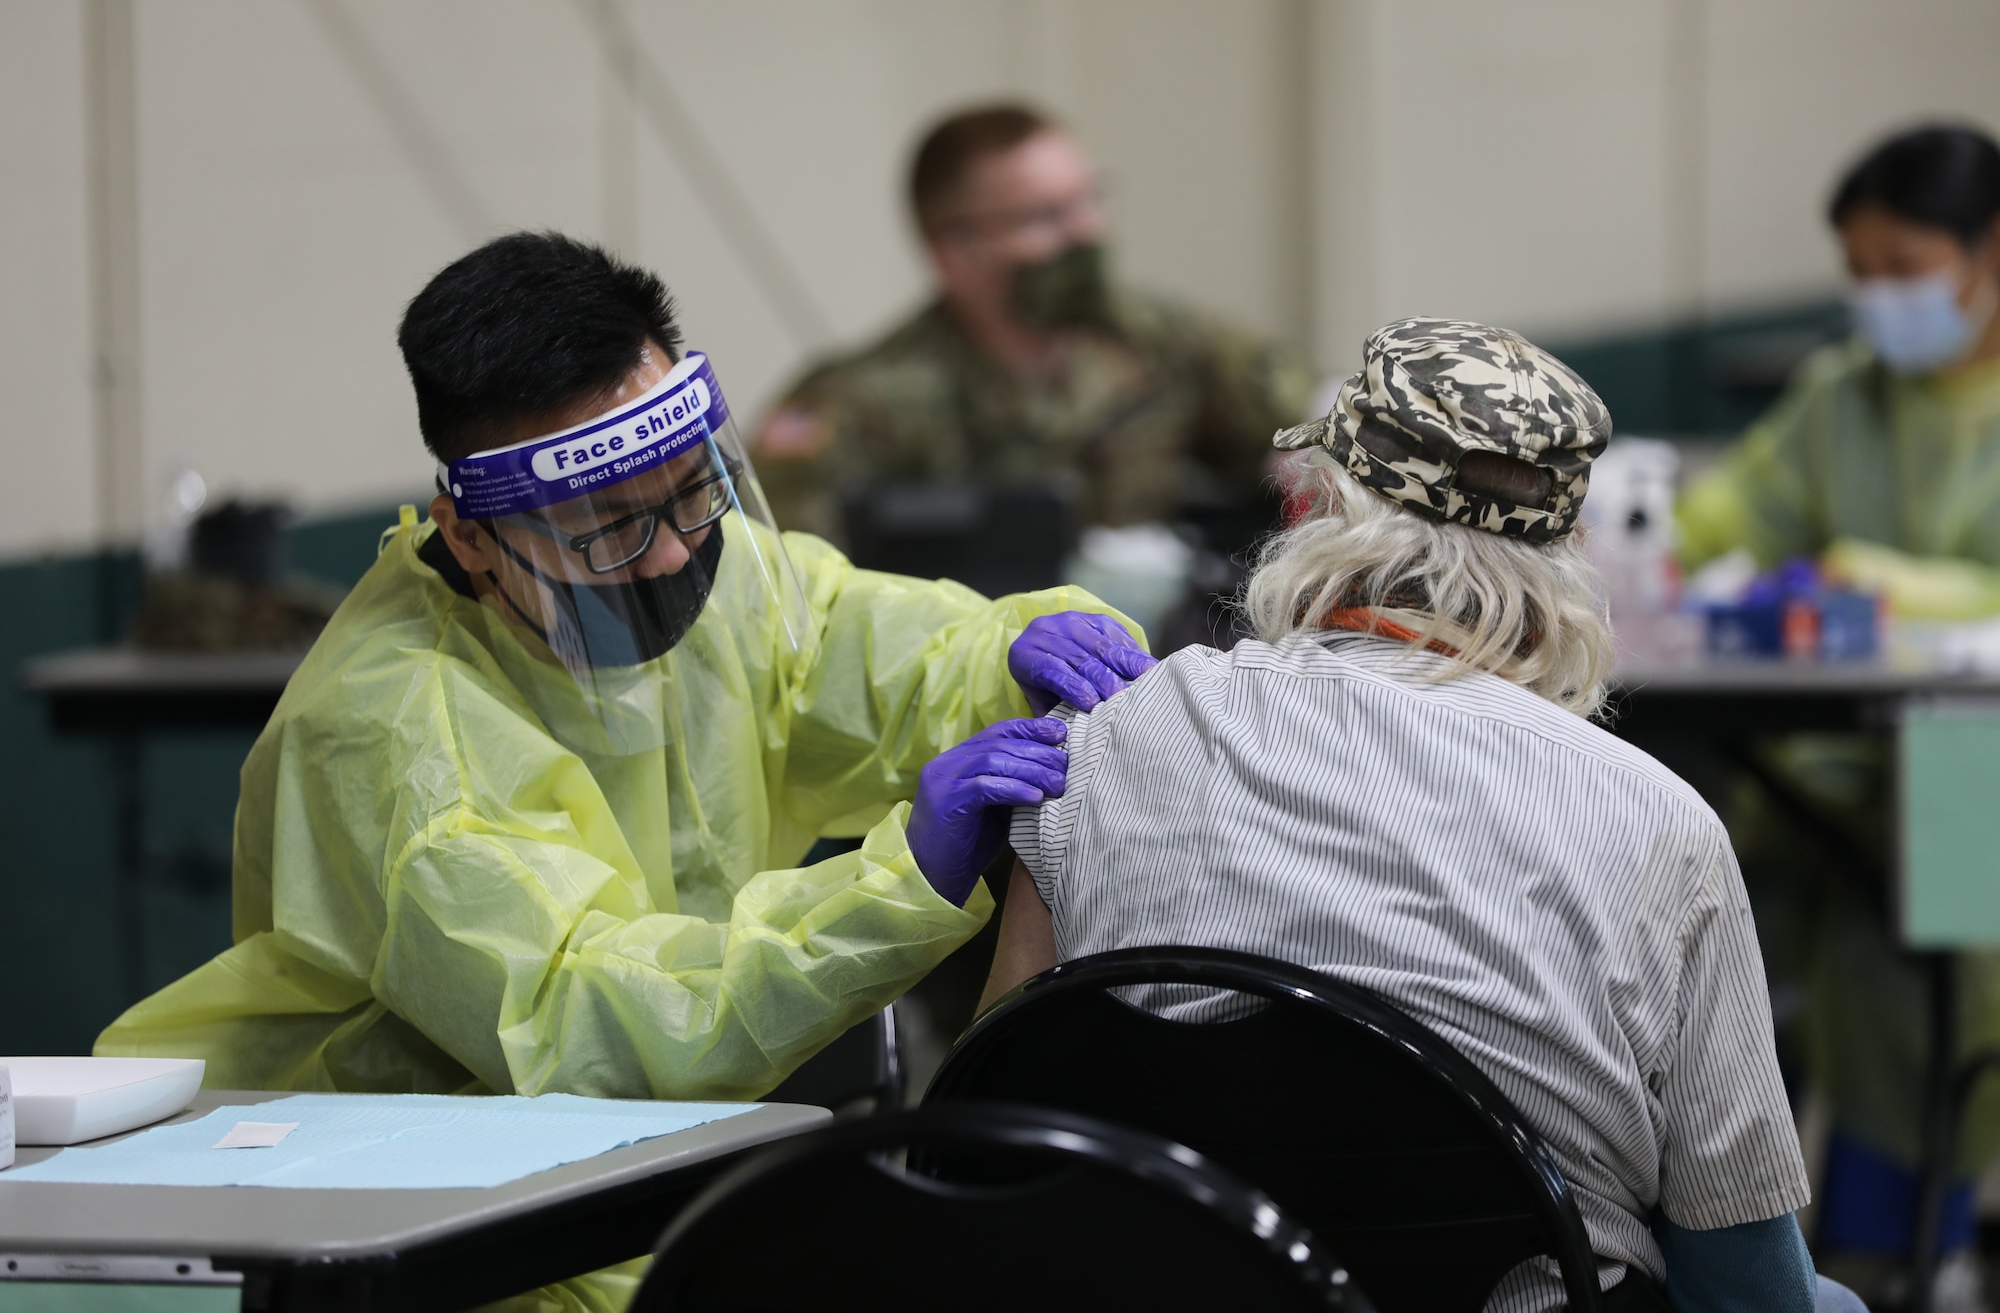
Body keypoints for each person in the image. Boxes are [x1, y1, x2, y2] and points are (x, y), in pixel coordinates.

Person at [94, 232, 1154, 1313]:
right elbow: (586, 1026)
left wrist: (1008, 656)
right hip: (414, 1224)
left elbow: (847, 641)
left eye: (692, 494)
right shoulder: (397, 743)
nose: (664, 555)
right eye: (605, 529)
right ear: (467, 537)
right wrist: (894, 887)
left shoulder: (714, 564)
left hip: (641, 1182)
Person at [964, 319, 1860, 1312]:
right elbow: (1745, 1284)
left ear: (1325, 501)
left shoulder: (1100, 741)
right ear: (1568, 553)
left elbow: (992, 1127)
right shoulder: (1658, 825)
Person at [1678, 123, 2000, 1298]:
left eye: (1902, 265)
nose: (1877, 297)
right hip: (1816, 766)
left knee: (1935, 997)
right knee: (1740, 979)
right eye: (1856, 272)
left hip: (1974, 763)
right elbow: (1717, 521)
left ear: (1986, 250)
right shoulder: (1840, 396)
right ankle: (1773, 1266)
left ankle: (1918, 1246)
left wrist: (1878, 580)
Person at [750, 102, 1316, 550]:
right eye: (1047, 217)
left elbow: (1323, 425)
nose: (1089, 232)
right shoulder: (860, 403)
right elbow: (780, 573)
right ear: (956, 251)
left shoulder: (1162, 342)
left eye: (1091, 198)